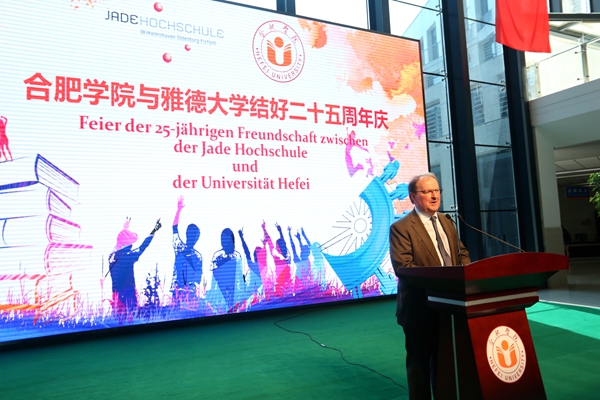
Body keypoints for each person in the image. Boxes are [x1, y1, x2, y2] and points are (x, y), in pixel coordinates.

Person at [389, 172, 470, 399]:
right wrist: (441, 284)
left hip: (450, 307)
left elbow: (461, 253)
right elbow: (404, 267)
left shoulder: (447, 221)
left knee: (445, 364)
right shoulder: (402, 227)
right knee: (420, 367)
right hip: (420, 308)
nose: (434, 196)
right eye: (427, 192)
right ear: (413, 197)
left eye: (437, 190)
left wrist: (466, 273)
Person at [171, 196, 203, 304]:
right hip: (177, 292)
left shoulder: (198, 256)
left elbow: (198, 276)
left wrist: (192, 290)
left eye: (195, 236)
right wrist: (178, 211)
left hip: (191, 295)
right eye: (191, 235)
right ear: (187, 234)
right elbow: (174, 228)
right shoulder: (179, 247)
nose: (193, 238)